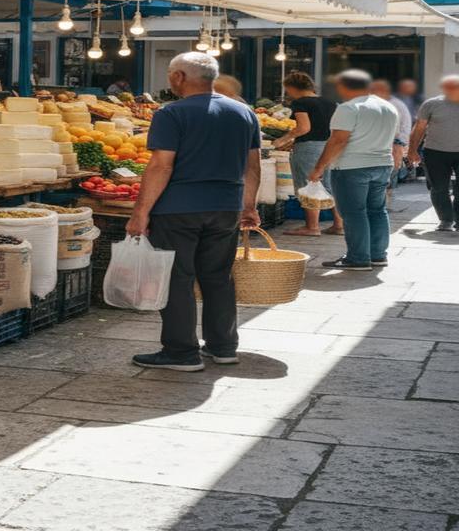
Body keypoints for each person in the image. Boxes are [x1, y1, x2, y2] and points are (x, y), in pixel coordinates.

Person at [126, 52, 261, 372]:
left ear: (179, 78)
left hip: (178, 209)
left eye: (171, 75)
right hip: (226, 206)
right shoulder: (244, 112)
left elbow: (161, 166)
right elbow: (252, 166)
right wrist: (249, 205)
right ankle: (223, 346)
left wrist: (140, 213)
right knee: (218, 278)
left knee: (177, 280)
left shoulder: (171, 114)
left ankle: (181, 352)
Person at [309, 69, 399, 270]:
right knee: (377, 210)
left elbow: (338, 140)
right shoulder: (388, 107)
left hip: (352, 167)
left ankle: (358, 258)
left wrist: (319, 167)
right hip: (382, 163)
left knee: (353, 212)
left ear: (343, 86)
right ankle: (377, 255)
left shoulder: (348, 108)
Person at [275, 71, 342, 236]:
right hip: (329, 146)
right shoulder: (330, 102)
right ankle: (339, 224)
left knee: (309, 184)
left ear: (291, 87)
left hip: (309, 148)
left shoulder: (301, 103)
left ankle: (312, 227)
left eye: (287, 89)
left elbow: (304, 128)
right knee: (329, 185)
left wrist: (283, 139)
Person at [407, 75, 459, 232]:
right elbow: (419, 128)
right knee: (438, 188)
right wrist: (412, 150)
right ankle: (446, 219)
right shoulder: (432, 104)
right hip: (435, 152)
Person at [372, 79, 412, 193]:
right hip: (389, 144)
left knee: (388, 176)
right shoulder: (384, 103)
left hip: (394, 144)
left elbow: (398, 128)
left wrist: (401, 144)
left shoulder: (393, 104)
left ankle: (385, 202)